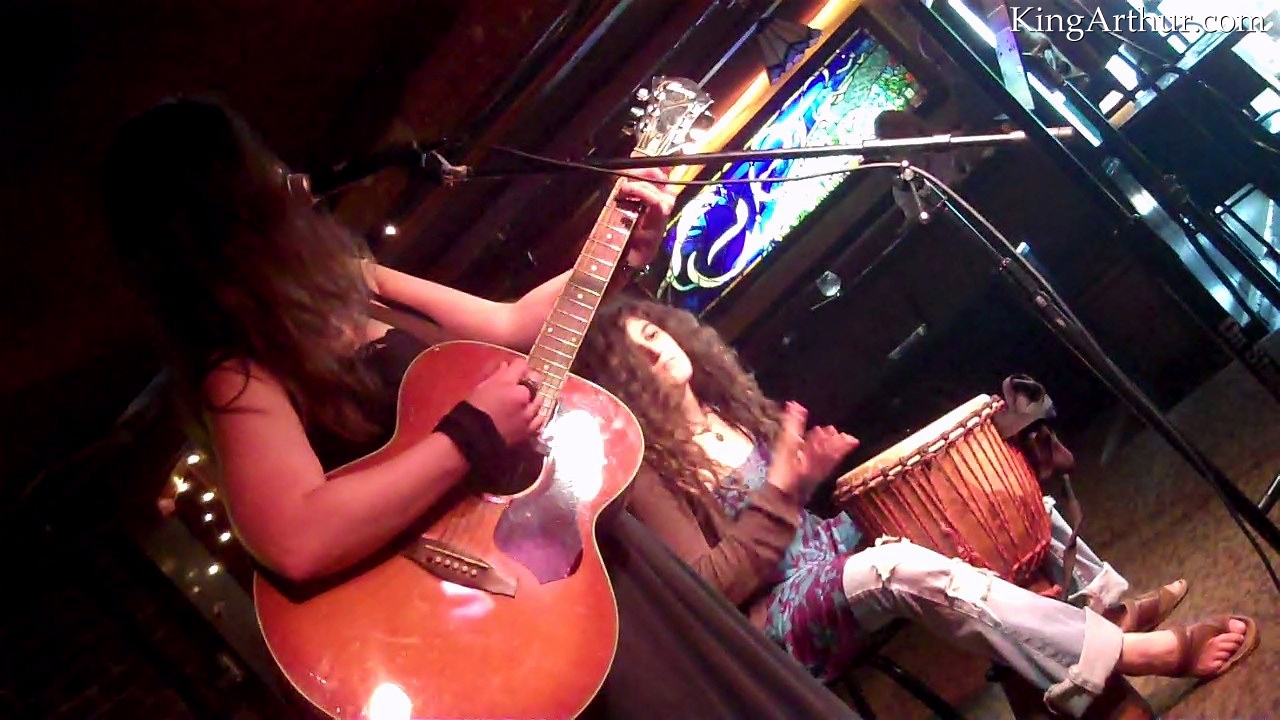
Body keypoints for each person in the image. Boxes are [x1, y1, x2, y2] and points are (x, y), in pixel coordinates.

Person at [102, 97, 862, 719]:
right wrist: (466, 436)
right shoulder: (238, 373)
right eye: (260, 165)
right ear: (230, 206)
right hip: (496, 608)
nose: (286, 174)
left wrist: (615, 252)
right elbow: (297, 537)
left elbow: (508, 326)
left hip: (580, 553)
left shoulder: (353, 280)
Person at [575, 296, 1259, 718]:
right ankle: (1129, 652)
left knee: (971, 492)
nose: (656, 351)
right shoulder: (647, 472)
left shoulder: (728, 410)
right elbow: (711, 585)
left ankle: (1100, 608)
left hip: (826, 561)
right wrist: (784, 487)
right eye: (635, 356)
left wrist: (805, 478)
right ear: (621, 385)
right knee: (896, 566)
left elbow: (792, 519)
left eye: (653, 334)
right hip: (778, 619)